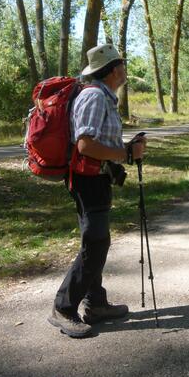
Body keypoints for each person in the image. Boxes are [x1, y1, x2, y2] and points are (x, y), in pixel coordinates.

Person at [48, 44, 146, 338]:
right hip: (85, 180)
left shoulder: (105, 96)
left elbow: (99, 142)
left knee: (96, 241)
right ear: (114, 69)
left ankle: (96, 304)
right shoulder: (93, 96)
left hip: (96, 178)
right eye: (123, 65)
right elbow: (85, 145)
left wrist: (125, 150)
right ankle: (63, 308)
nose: (125, 69)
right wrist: (126, 153)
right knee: (96, 242)